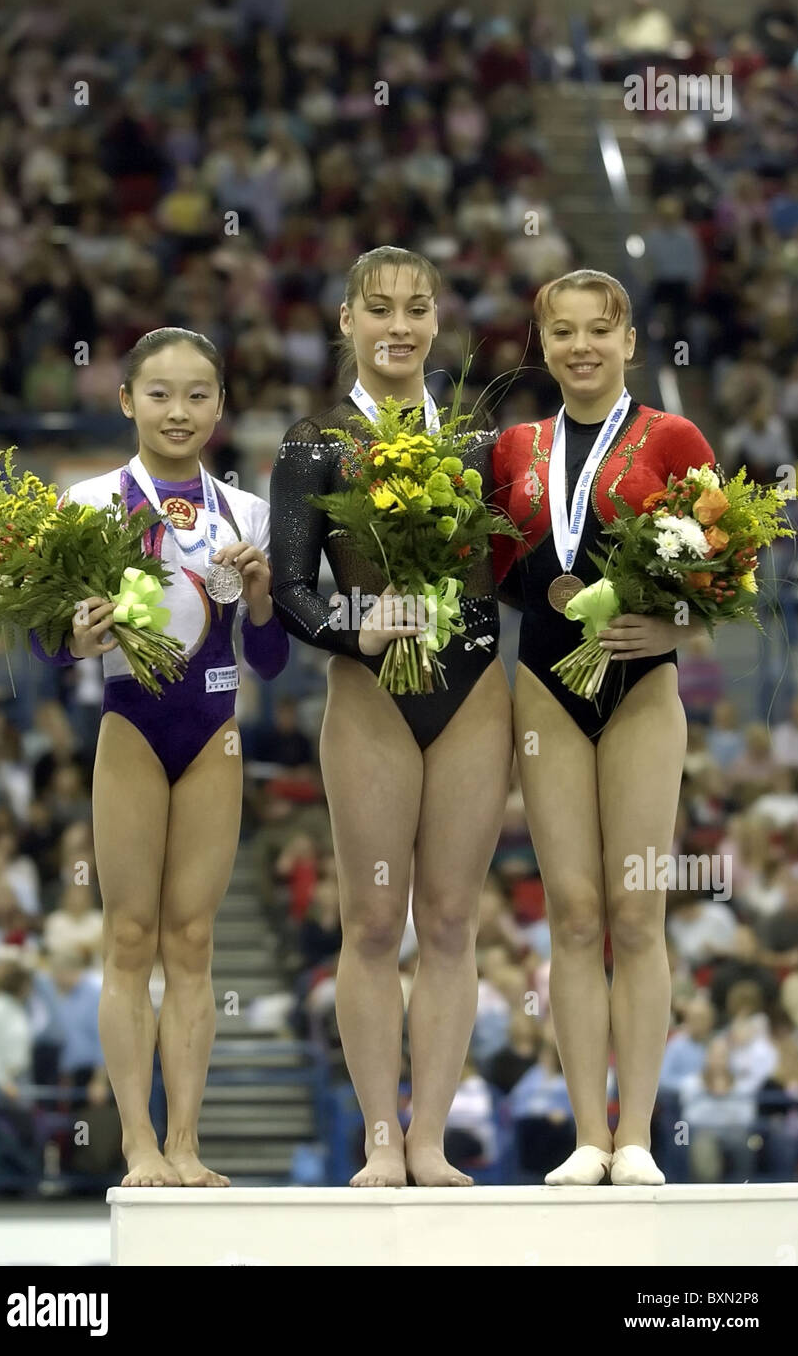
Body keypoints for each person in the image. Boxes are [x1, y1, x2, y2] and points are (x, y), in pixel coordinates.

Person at [270, 247, 513, 1186]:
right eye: (380, 308)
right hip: (369, 698)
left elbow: (518, 568)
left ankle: (430, 1139)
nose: (400, 325)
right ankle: (379, 1135)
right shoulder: (314, 440)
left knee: (451, 921)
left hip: (471, 695)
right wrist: (356, 627)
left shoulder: (478, 439)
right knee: (373, 924)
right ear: (347, 321)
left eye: (418, 308)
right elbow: (292, 592)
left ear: (437, 322)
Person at [31, 327, 289, 1186]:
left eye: (198, 395)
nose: (179, 411)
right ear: (126, 400)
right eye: (160, 394)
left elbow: (273, 660)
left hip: (213, 733)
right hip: (131, 729)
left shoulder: (248, 514)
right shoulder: (90, 503)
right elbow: (47, 648)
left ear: (220, 405)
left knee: (193, 939)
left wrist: (259, 600)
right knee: (130, 934)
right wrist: (72, 636)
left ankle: (185, 1142)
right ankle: (138, 1143)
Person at [493, 268, 716, 1185]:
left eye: (599, 330)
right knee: (574, 915)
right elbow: (497, 574)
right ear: (542, 345)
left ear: (629, 341)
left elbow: (726, 576)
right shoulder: (514, 446)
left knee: (637, 911)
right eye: (562, 332)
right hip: (546, 681)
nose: (581, 347)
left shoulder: (673, 436)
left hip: (644, 685)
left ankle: (637, 1136)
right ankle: (590, 1133)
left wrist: (672, 625)